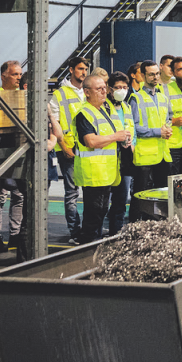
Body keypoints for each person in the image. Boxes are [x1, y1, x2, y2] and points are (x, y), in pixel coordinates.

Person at [74, 75, 131, 243]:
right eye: (99, 89)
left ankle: (94, 252)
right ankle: (86, 254)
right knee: (93, 218)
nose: (104, 91)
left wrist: (124, 139)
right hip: (93, 173)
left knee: (100, 214)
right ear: (87, 92)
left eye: (104, 87)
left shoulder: (107, 110)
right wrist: (116, 136)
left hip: (107, 172)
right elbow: (90, 141)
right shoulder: (84, 113)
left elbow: (116, 134)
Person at [48, 57, 89, 243]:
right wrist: (64, 146)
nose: (84, 72)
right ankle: (75, 232)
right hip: (69, 149)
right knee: (72, 192)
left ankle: (87, 229)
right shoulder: (60, 94)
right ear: (71, 70)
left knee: (88, 190)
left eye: (86, 69)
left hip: (87, 148)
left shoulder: (87, 92)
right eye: (80, 68)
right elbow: (54, 122)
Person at [0, 60, 26, 253]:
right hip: (1, 152)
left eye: (19, 74)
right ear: (3, 76)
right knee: (0, 196)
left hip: (18, 152)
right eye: (14, 74)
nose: (19, 78)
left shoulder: (22, 96)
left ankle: (15, 235)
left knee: (18, 196)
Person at [127, 60, 172, 221]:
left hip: (161, 154)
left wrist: (167, 129)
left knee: (161, 195)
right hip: (145, 155)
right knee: (140, 194)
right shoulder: (136, 98)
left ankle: (156, 227)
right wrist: (157, 132)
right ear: (143, 76)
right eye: (151, 74)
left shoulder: (163, 98)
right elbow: (134, 127)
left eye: (157, 74)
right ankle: (134, 226)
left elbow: (169, 118)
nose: (155, 77)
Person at [104, 72, 135, 236]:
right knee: (103, 202)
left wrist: (133, 145)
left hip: (124, 157)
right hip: (108, 158)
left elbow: (132, 129)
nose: (122, 91)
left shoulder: (126, 107)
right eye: (118, 88)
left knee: (121, 200)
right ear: (110, 89)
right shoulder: (103, 107)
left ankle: (116, 234)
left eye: (124, 87)